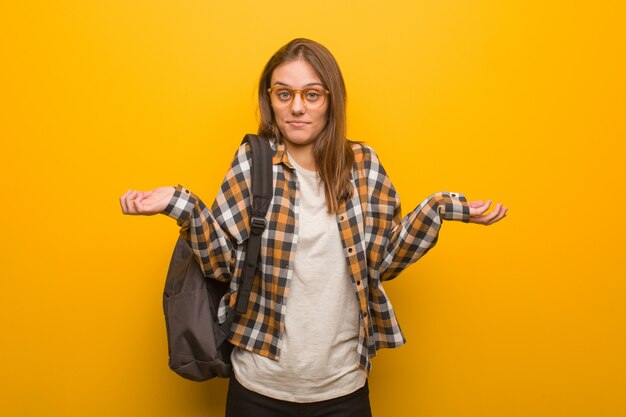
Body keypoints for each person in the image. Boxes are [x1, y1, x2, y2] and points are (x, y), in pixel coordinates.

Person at [119, 38, 507, 417]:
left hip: (343, 388)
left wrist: (437, 209)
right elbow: (224, 266)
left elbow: (383, 262)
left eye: (312, 94)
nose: (297, 108)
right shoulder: (253, 162)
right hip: (259, 387)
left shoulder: (363, 165)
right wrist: (181, 205)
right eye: (284, 94)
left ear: (330, 100)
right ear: (269, 100)